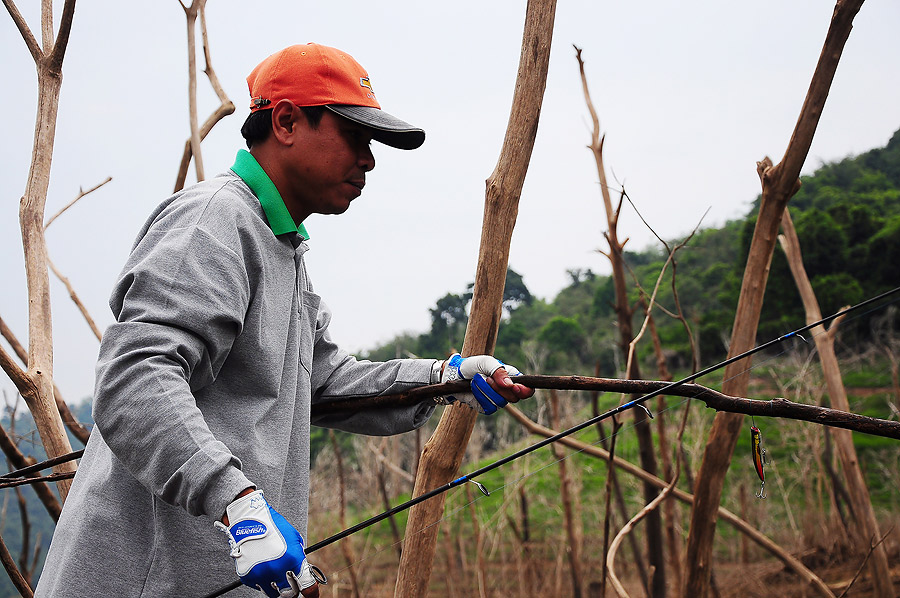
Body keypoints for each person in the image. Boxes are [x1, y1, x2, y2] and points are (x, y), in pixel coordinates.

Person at [35, 43, 533, 598]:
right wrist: (238, 502)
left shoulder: (282, 246)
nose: (369, 159)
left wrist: (447, 379)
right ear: (288, 121)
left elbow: (321, 382)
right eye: (356, 137)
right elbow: (135, 382)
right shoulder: (214, 223)